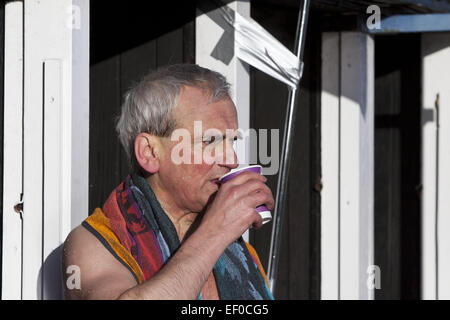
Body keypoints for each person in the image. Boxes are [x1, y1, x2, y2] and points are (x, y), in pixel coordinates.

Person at [62, 64, 275, 300]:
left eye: (232, 142)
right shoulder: (96, 244)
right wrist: (216, 232)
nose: (232, 160)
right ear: (150, 153)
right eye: (210, 141)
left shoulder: (239, 252)